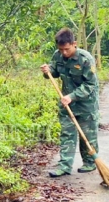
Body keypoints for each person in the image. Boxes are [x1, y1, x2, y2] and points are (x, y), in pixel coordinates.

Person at [40, 28, 100, 177]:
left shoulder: (86, 59)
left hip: (86, 104)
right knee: (67, 134)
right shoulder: (58, 55)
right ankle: (64, 166)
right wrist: (47, 71)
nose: (64, 53)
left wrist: (72, 96)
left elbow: (91, 85)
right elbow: (54, 73)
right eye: (61, 50)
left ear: (74, 44)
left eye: (67, 49)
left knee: (87, 135)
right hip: (67, 104)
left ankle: (90, 162)